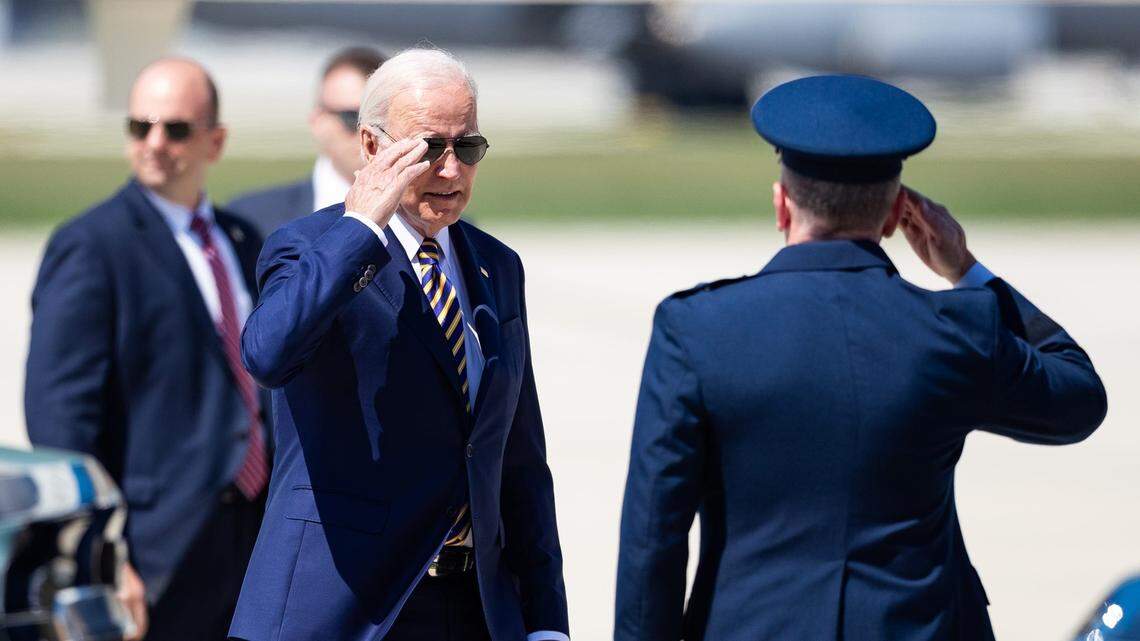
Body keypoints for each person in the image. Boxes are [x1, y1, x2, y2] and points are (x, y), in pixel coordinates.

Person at [614, 75, 1108, 641]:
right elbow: (1078, 397)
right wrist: (966, 270)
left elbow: (653, 538)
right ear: (898, 216)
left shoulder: (697, 330)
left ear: (782, 205)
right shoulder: (956, 330)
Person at [228, 48, 569, 641]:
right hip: (344, 607)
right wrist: (361, 227)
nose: (451, 171)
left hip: (471, 610)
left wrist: (545, 623)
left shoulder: (495, 266)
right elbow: (268, 354)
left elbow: (518, 460)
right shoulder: (310, 246)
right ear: (371, 146)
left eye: (467, 148)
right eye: (428, 148)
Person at [24, 58, 268, 641]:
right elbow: (61, 418)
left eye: (176, 129)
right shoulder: (91, 245)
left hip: (254, 539)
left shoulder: (242, 239)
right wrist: (101, 555)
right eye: (140, 127)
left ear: (216, 141)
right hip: (155, 552)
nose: (154, 143)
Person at [227, 46, 387, 238]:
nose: (369, 136)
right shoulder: (250, 220)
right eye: (354, 118)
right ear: (317, 121)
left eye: (381, 122)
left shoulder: (418, 217)